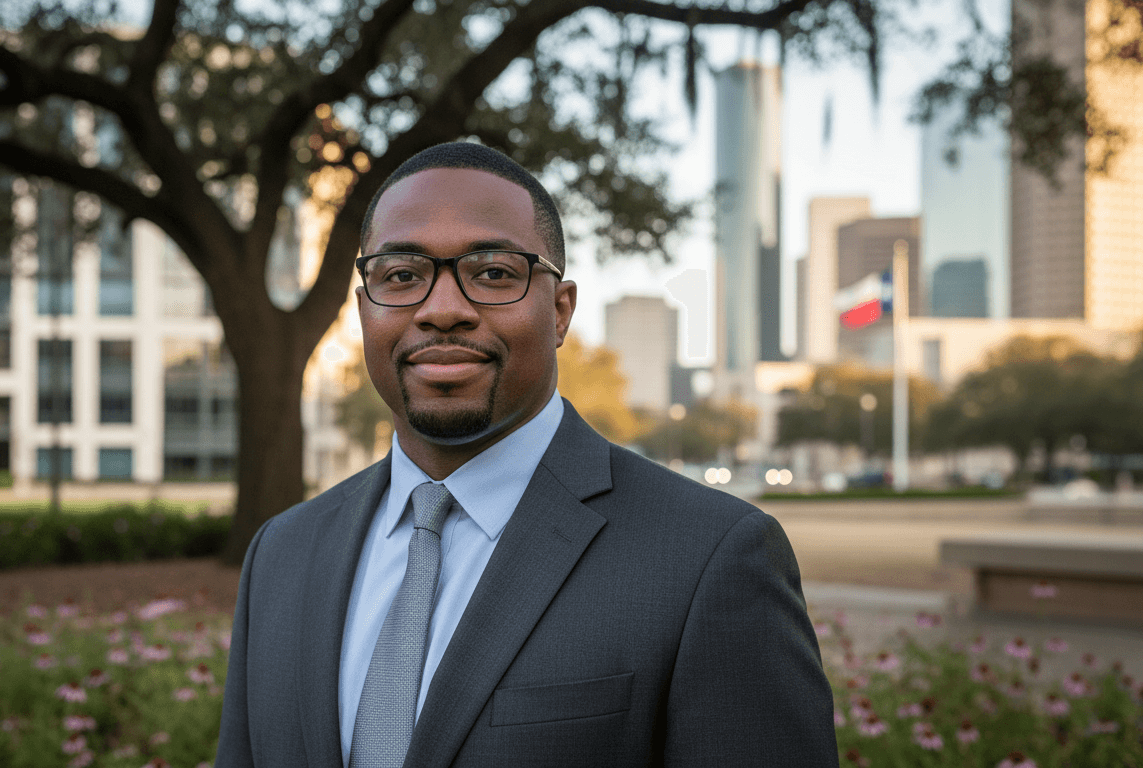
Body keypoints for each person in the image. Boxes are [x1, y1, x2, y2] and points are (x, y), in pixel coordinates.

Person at [215, 142, 837, 767]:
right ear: (363, 308)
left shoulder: (709, 557)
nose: (443, 310)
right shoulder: (281, 554)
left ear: (560, 312)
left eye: (493, 273)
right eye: (401, 276)